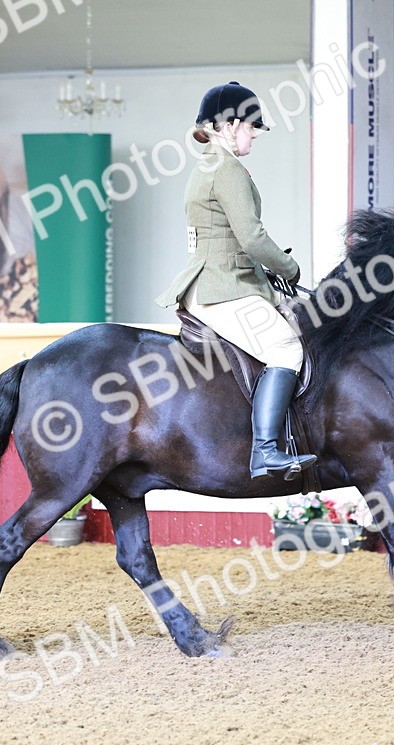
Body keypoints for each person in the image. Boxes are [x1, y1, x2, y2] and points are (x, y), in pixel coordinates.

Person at [155, 81, 316, 481]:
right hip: (221, 287)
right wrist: (289, 270)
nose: (255, 135)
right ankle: (264, 452)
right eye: (250, 127)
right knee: (285, 349)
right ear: (227, 125)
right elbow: (252, 238)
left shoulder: (209, 166)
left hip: (222, 279)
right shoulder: (225, 169)